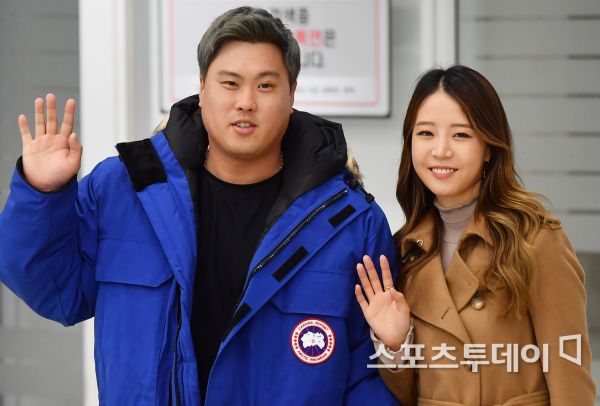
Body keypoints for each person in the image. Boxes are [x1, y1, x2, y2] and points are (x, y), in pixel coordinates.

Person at [0, 7, 399, 405]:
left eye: (265, 86)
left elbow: (369, 378)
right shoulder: (127, 189)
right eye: (230, 83)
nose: (246, 102)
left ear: (291, 94)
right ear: (203, 87)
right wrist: (41, 194)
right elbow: (55, 291)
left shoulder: (348, 222)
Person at [354, 65, 596, 405]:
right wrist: (395, 345)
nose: (440, 150)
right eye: (426, 133)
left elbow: (571, 381)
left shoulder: (535, 241)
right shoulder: (406, 251)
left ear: (489, 147)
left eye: (461, 135)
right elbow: (408, 396)